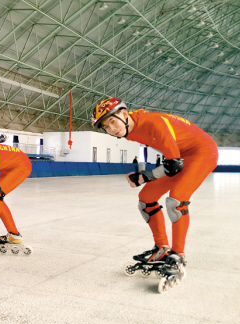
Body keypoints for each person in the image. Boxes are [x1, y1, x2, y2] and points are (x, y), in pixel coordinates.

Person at [92, 98, 218, 289]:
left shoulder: (153, 122)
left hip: (202, 152)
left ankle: (178, 255)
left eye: (113, 121)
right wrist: (145, 177)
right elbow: (173, 161)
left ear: (124, 114)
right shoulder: (128, 131)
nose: (112, 129)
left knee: (176, 200)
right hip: (181, 157)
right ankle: (162, 248)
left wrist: (143, 177)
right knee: (146, 199)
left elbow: (174, 165)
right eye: (106, 127)